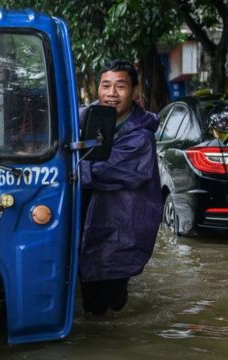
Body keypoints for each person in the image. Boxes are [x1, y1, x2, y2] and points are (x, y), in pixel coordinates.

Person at [79, 60, 162, 315]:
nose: (112, 94)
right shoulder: (84, 118)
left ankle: (120, 295)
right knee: (92, 305)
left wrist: (69, 164)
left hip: (122, 227)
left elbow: (100, 172)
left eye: (120, 86)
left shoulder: (140, 137)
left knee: (112, 298)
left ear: (134, 91)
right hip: (87, 223)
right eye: (106, 86)